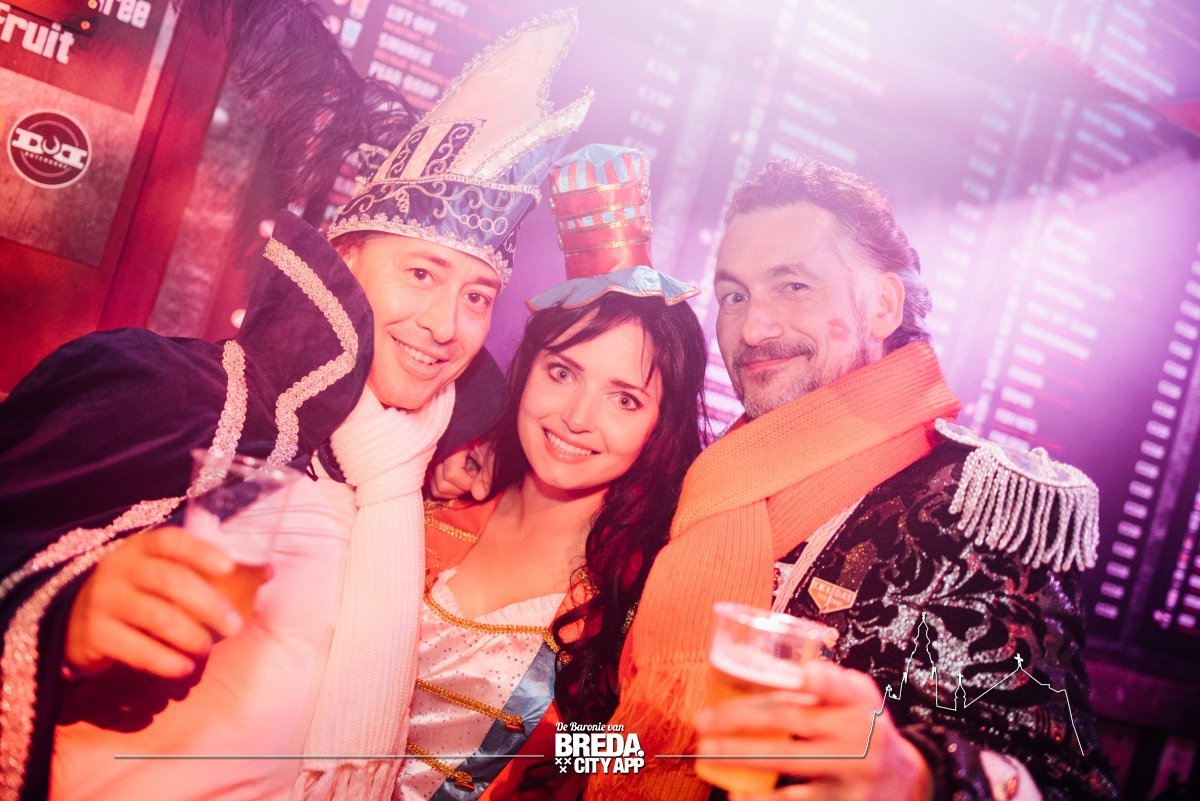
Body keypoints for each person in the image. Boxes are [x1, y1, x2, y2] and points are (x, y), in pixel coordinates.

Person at [0, 12, 590, 801]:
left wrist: (594, 758)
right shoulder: (177, 394)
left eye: (477, 295)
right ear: (344, 259)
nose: (447, 325)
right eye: (420, 274)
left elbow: (554, 744)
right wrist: (63, 619)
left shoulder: (428, 494)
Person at [587, 159, 1119, 801]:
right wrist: (541, 760)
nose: (753, 329)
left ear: (883, 307)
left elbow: (1071, 787)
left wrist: (920, 779)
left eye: (793, 286)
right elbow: (622, 736)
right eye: (735, 296)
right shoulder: (705, 488)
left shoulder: (976, 502)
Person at [399, 144, 708, 800]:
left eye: (624, 399)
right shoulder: (425, 496)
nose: (576, 417)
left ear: (660, 424)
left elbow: (651, 756)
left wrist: (557, 742)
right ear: (527, 369)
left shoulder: (644, 593)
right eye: (563, 373)